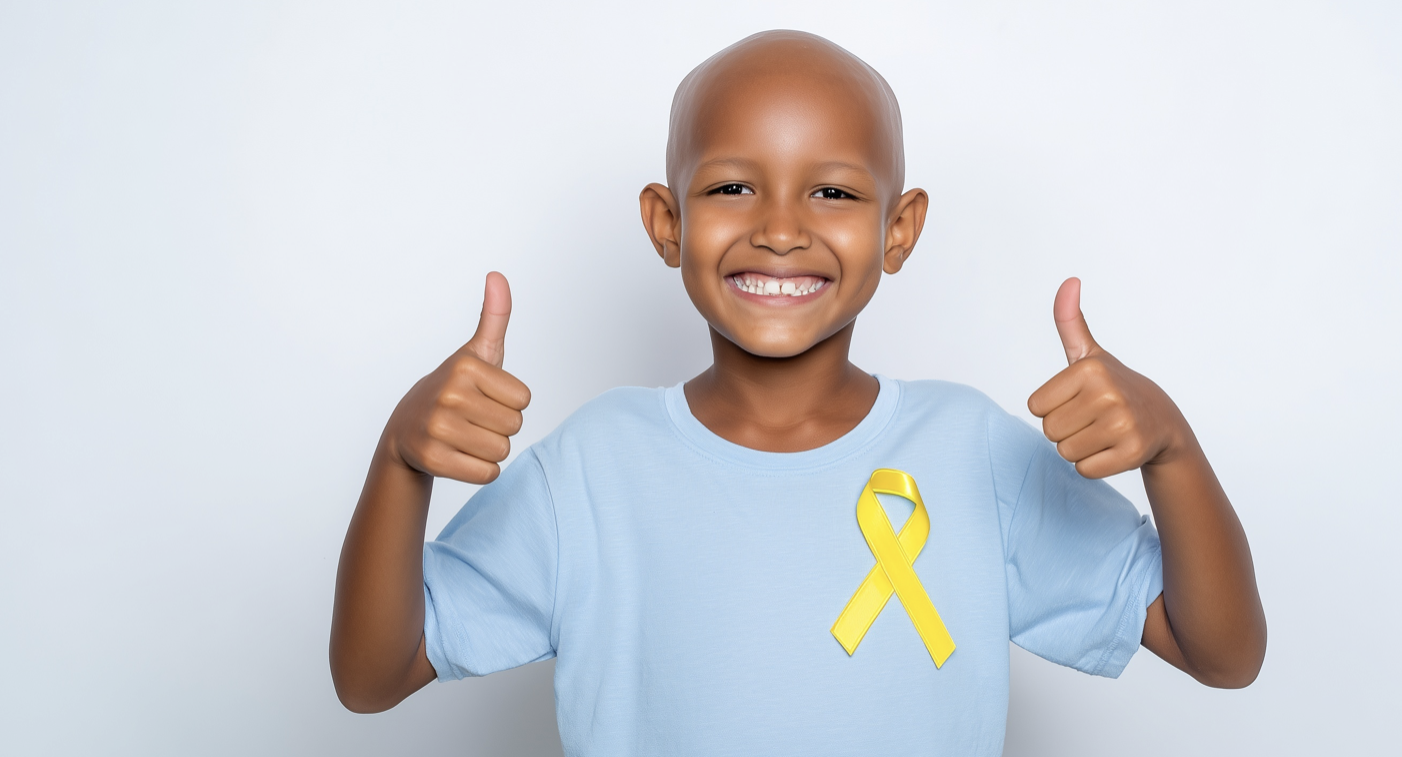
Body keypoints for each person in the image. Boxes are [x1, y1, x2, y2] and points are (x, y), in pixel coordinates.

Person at [329, 30, 1265, 755]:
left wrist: (1172, 450)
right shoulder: (593, 466)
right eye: (733, 185)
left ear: (900, 231)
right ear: (668, 221)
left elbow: (1220, 652)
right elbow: (373, 677)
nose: (780, 230)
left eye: (833, 194)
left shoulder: (972, 453)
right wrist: (398, 462)